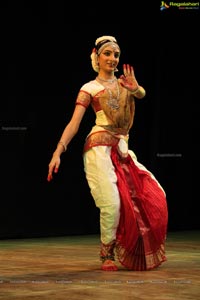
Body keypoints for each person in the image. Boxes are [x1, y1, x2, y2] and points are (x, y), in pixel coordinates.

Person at [47, 35, 168, 271]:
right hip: (99, 148)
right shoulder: (90, 88)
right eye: (107, 54)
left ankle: (129, 246)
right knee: (111, 203)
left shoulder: (125, 84)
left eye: (116, 55)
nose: (112, 59)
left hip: (122, 149)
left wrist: (137, 89)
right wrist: (58, 151)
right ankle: (107, 254)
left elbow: (141, 95)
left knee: (155, 194)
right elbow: (74, 123)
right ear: (97, 57)